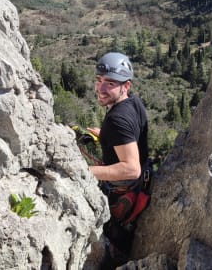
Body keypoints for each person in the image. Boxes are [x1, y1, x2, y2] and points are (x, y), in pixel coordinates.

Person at [86, 52, 150, 268]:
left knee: (110, 236)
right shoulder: (132, 102)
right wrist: (104, 135)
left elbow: (132, 169)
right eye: (99, 80)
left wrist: (87, 172)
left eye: (110, 83)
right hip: (140, 180)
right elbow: (129, 135)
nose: (101, 88)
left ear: (126, 85)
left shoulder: (117, 119)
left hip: (123, 189)